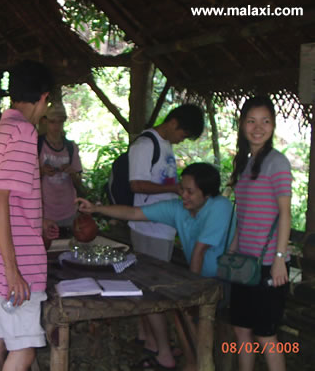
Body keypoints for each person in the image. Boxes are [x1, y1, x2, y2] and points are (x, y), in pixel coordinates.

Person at [77, 162, 233, 370]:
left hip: (223, 280)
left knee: (185, 309)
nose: (183, 195)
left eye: (190, 192)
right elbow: (134, 213)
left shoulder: (220, 206)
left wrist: (193, 293)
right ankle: (194, 361)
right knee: (179, 309)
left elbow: (200, 250)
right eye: (181, 189)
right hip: (199, 278)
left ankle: (201, 363)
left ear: (207, 194)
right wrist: (96, 208)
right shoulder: (179, 208)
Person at [0, 60, 59, 371]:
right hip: (16, 261)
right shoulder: (23, 132)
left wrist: (38, 221)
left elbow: (3, 196)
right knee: (25, 349)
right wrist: (13, 271)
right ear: (44, 97)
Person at [128, 104, 204, 368]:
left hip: (161, 226)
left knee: (148, 287)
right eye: (183, 134)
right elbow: (136, 184)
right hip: (147, 226)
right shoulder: (145, 145)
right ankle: (163, 352)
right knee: (155, 292)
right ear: (174, 124)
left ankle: (148, 338)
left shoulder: (165, 144)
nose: (182, 139)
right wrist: (173, 188)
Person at [228, 96, 291, 371]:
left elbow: (285, 213)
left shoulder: (277, 162)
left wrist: (279, 258)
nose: (258, 127)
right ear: (242, 125)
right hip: (245, 262)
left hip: (268, 265)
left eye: (265, 121)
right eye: (251, 121)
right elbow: (245, 214)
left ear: (273, 125)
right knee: (241, 331)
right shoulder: (245, 162)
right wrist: (233, 246)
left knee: (266, 335)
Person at [39, 101, 83, 243]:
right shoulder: (36, 145)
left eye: (60, 122)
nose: (56, 126)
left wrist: (71, 172)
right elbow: (26, 179)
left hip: (68, 211)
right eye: (52, 122)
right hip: (44, 212)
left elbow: (79, 183)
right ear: (45, 122)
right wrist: (42, 171)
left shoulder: (71, 147)